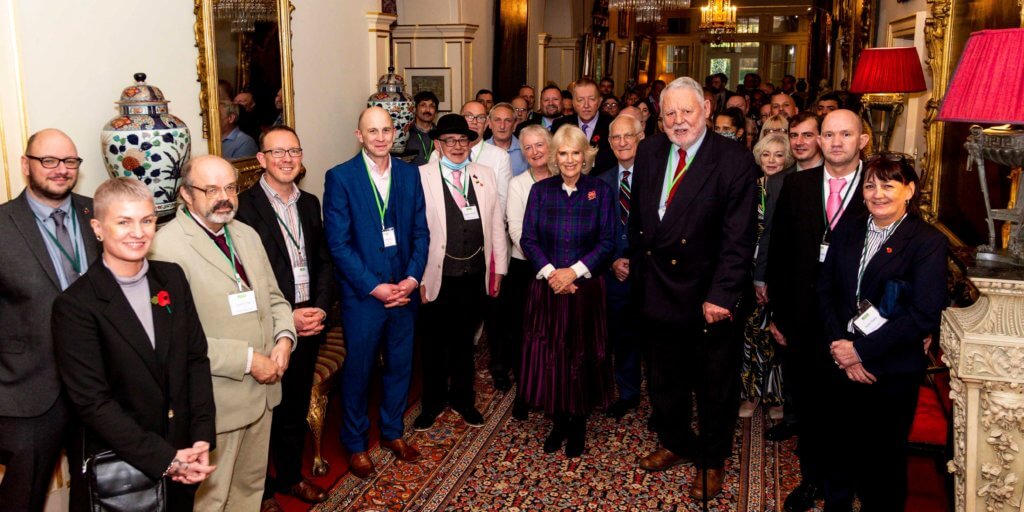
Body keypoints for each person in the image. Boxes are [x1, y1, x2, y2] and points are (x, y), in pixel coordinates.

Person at [629, 77, 759, 499]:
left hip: (708, 296)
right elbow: (639, 222)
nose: (679, 120)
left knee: (713, 385)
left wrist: (722, 296)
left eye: (687, 111)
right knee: (664, 379)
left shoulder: (734, 159)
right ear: (659, 117)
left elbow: (740, 239)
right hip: (657, 289)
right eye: (670, 113)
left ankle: (711, 459)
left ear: (705, 107)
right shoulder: (649, 151)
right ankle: (676, 442)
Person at [53, 178, 217, 511]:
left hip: (183, 452)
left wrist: (201, 436)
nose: (138, 232)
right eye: (124, 222)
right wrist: (164, 459)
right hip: (121, 467)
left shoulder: (171, 277)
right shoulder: (76, 305)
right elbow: (93, 403)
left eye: (146, 220)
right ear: (98, 228)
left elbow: (195, 359)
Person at [149, 155, 296, 510]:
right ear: (186, 194)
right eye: (211, 189)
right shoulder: (164, 248)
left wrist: (285, 339)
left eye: (230, 187)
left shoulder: (246, 234)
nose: (224, 197)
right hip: (216, 402)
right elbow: (174, 337)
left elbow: (275, 298)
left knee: (250, 489)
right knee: (212, 500)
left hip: (264, 393)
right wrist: (248, 361)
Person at [818, 154, 947, 511]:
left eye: (888, 185)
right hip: (839, 360)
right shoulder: (850, 226)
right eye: (871, 184)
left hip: (888, 371)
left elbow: (923, 314)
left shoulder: (927, 242)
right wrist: (840, 348)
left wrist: (861, 352)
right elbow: (826, 288)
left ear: (909, 190)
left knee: (884, 462)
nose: (877, 193)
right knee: (839, 452)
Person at [764, 109, 869, 511]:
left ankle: (848, 482)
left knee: (850, 409)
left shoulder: (876, 188)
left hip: (856, 323)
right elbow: (780, 252)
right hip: (804, 319)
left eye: (846, 134)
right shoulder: (797, 185)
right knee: (809, 406)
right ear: (819, 141)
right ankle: (812, 480)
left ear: (862, 140)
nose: (837, 141)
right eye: (830, 134)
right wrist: (778, 314)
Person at [323, 106, 428, 478]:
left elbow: (420, 232)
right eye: (373, 131)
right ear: (359, 135)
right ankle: (355, 444)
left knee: (400, 365)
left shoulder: (409, 174)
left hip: (404, 292)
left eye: (387, 129)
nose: (381, 137)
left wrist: (412, 280)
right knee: (360, 371)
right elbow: (338, 244)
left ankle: (392, 433)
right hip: (364, 297)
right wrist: (375, 286)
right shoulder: (341, 178)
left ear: (395, 132)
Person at [235, 126, 334, 511]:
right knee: (261, 413)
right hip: (267, 325)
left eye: (293, 151)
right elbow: (240, 276)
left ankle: (290, 477)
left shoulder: (310, 203)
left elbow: (324, 262)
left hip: (310, 319)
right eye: (277, 152)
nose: (286, 159)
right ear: (260, 159)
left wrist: (320, 309)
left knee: (293, 406)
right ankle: (259, 493)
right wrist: (286, 316)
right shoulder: (243, 207)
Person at [0, 129, 100, 512]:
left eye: (70, 161)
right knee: (22, 496)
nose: (61, 170)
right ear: (26, 165)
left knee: (95, 485)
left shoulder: (99, 213)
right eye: (49, 161)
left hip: (96, 382)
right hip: (30, 389)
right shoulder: (4, 224)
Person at [520, 124, 616, 458]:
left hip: (585, 288)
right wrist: (551, 275)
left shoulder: (600, 191)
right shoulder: (541, 191)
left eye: (576, 152)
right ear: (554, 156)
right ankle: (558, 420)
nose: (570, 159)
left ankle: (578, 422)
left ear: (585, 155)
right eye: (563, 153)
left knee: (581, 354)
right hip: (548, 289)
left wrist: (572, 272)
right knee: (552, 355)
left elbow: (608, 240)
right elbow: (528, 239)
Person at [414, 114, 508, 430]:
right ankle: (432, 403)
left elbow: (497, 224)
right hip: (436, 275)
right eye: (450, 140)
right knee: (433, 343)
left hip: (474, 273)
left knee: (464, 342)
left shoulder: (484, 174)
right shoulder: (421, 177)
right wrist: (419, 279)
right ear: (438, 145)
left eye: (463, 140)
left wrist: (499, 270)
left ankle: (463, 400)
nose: (457, 146)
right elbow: (416, 233)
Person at [739, 133, 793, 418]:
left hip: (777, 271)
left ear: (788, 159)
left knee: (776, 335)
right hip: (747, 272)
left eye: (779, 155)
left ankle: (776, 397)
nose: (772, 160)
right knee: (751, 336)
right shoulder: (748, 188)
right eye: (766, 154)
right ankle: (750, 394)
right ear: (758, 157)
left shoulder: (792, 189)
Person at [503, 124, 555, 421]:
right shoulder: (518, 185)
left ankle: (552, 391)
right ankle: (526, 392)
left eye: (540, 145)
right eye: (528, 148)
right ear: (522, 153)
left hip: (562, 270)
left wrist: (559, 267)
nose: (535, 152)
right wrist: (545, 262)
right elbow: (516, 229)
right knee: (527, 335)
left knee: (555, 335)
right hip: (526, 267)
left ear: (550, 146)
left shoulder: (565, 179)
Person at [600, 115, 645, 419]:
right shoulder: (600, 181)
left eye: (628, 136)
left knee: (655, 342)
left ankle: (663, 403)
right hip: (613, 273)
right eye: (616, 137)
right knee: (620, 337)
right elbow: (595, 231)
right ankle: (627, 393)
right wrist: (613, 261)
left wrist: (636, 261)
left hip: (651, 274)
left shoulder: (658, 177)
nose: (622, 142)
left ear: (641, 137)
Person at [431, 101, 513, 210]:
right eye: (469, 116)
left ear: (487, 123)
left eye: (480, 117)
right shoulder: (438, 153)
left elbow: (502, 202)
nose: (474, 122)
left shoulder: (500, 157)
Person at [552, 77, 616, 174]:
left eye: (591, 99)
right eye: (580, 100)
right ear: (573, 102)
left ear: (599, 101)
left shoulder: (612, 125)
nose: (586, 105)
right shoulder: (560, 125)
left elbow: (612, 160)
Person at [487, 102, 529, 176]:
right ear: (489, 123)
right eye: (497, 120)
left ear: (515, 125)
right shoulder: (479, 150)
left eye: (507, 120)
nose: (502, 126)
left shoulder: (526, 150)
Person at [406, 91, 439, 166]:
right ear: (415, 109)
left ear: (436, 112)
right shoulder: (405, 134)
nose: (428, 110)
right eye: (423, 105)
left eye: (432, 106)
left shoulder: (441, 135)